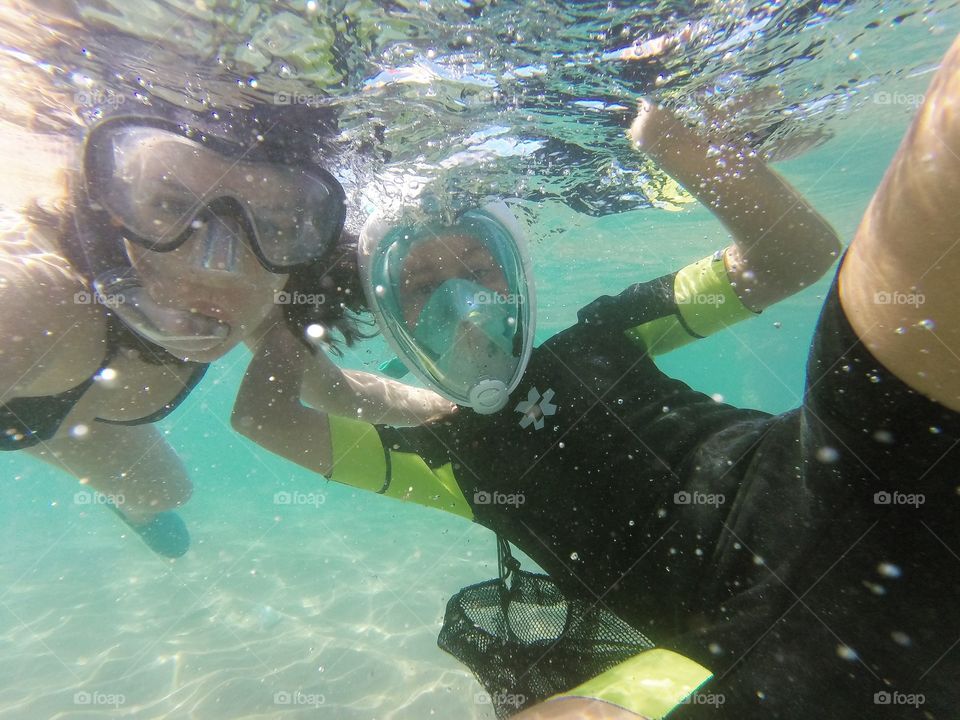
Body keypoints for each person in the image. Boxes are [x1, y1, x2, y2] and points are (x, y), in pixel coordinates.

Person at [232, 35, 960, 719]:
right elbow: (263, 418)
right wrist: (299, 302)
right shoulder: (442, 459)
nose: (463, 305)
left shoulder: (605, 332)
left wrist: (676, 142)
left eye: (479, 269)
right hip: (738, 658)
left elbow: (795, 256)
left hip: (852, 464)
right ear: (391, 315)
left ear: (514, 275)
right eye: (422, 286)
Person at [0, 101, 451, 557]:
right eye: (173, 205)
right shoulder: (40, 298)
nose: (217, 267)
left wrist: (456, 412)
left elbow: (337, 393)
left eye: (275, 224)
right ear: (110, 201)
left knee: (165, 494)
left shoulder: (276, 298)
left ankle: (119, 501)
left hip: (64, 425)